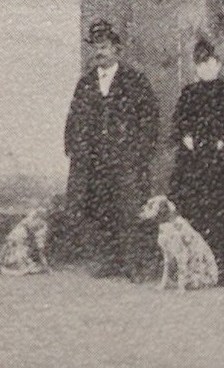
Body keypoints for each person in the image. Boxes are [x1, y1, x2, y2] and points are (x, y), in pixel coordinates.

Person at [64, 19, 160, 280]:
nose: (99, 52)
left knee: (129, 210)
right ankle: (108, 260)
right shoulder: (85, 84)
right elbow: (73, 119)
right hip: (95, 161)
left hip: (126, 160)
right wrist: (75, 149)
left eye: (105, 46)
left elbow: (150, 119)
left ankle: (133, 263)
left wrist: (140, 151)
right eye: (95, 47)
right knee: (100, 209)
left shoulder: (135, 80)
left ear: (117, 49)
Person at [167, 37, 224, 284]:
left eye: (209, 62)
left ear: (218, 64)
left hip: (222, 163)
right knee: (194, 211)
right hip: (193, 163)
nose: (205, 67)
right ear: (195, 67)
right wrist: (185, 137)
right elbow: (179, 123)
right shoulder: (188, 93)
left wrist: (223, 140)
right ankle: (194, 267)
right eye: (200, 64)